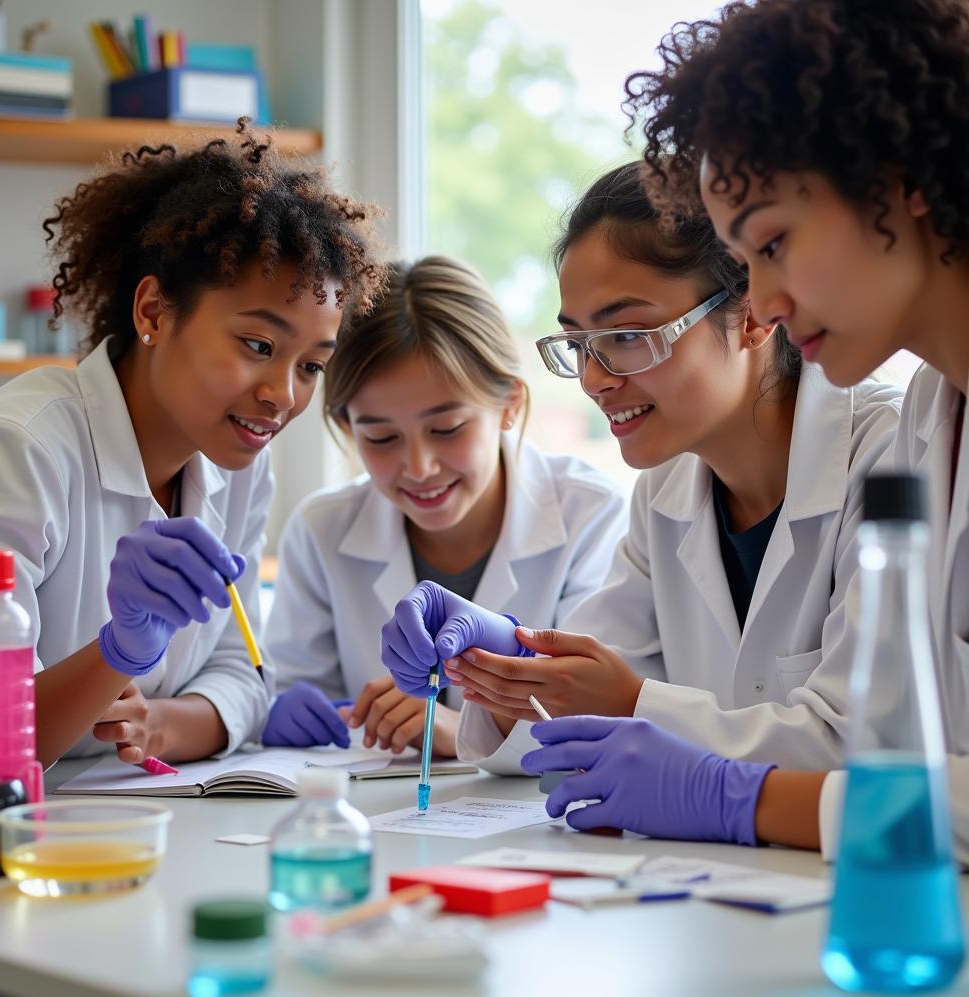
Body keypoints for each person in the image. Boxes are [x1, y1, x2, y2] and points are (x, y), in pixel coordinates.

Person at [520, 0, 969, 858]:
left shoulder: (890, 435)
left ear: (899, 177)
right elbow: (919, 754)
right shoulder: (933, 415)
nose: (761, 304)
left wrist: (742, 798)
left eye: (772, 243)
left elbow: (892, 759)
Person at [382, 161, 902, 783]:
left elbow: (865, 744)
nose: (596, 379)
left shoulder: (886, 460)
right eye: (578, 344)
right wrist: (502, 658)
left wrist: (631, 702)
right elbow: (569, 706)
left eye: (627, 334)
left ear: (755, 313)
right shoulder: (666, 490)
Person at [0, 120, 384, 768]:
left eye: (311, 366)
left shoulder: (237, 463)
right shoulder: (19, 447)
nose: (283, 395)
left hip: (153, 812)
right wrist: (117, 653)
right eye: (258, 346)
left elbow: (244, 672)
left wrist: (159, 724)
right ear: (152, 312)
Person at [261, 255, 629, 757]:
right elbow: (296, 692)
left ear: (509, 405)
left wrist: (462, 733)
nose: (418, 466)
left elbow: (600, 721)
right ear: (347, 428)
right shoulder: (321, 529)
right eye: (381, 437)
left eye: (447, 429)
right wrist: (283, 711)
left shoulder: (591, 515)